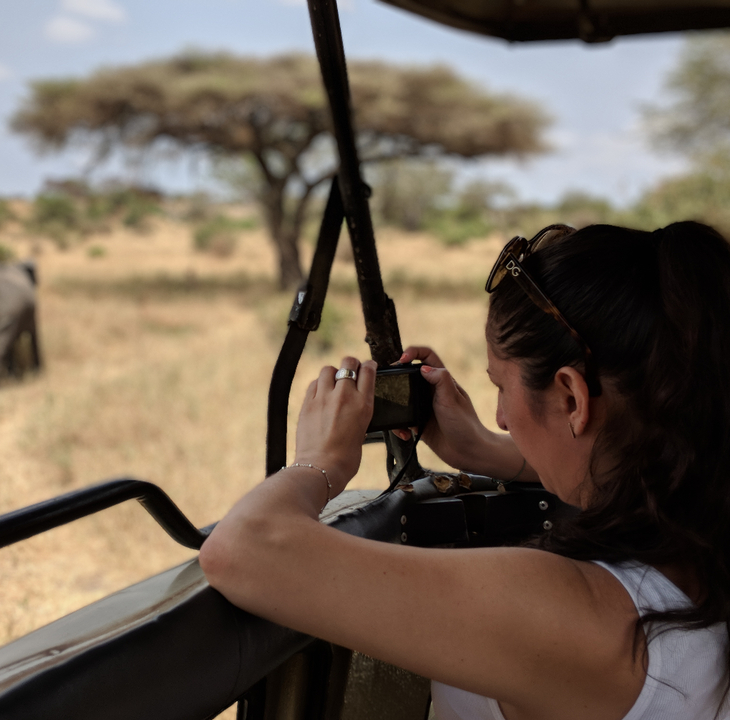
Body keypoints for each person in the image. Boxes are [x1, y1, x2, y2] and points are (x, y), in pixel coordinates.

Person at [199, 222, 730, 720]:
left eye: (501, 386)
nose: (501, 417)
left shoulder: (578, 615)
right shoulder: (701, 541)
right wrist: (487, 449)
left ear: (571, 397)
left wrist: (321, 462)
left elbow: (243, 551)